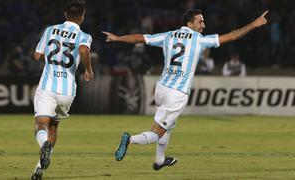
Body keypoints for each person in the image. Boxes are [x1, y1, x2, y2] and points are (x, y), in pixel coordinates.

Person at [102, 9, 268, 171]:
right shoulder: (199, 39)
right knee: (158, 132)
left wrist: (117, 38)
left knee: (168, 126)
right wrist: (255, 23)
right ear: (190, 23)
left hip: (161, 88)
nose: (203, 25)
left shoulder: (168, 35)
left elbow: (139, 38)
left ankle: (160, 160)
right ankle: (129, 139)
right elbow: (233, 36)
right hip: (177, 93)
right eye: (200, 21)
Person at [31, 1, 94, 179]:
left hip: (47, 86)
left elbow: (37, 56)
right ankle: (38, 169)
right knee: (54, 126)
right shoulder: (84, 35)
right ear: (82, 16)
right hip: (67, 91)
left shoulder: (50, 29)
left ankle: (44, 145)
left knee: (41, 124)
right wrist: (89, 70)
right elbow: (83, 50)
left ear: (65, 14)